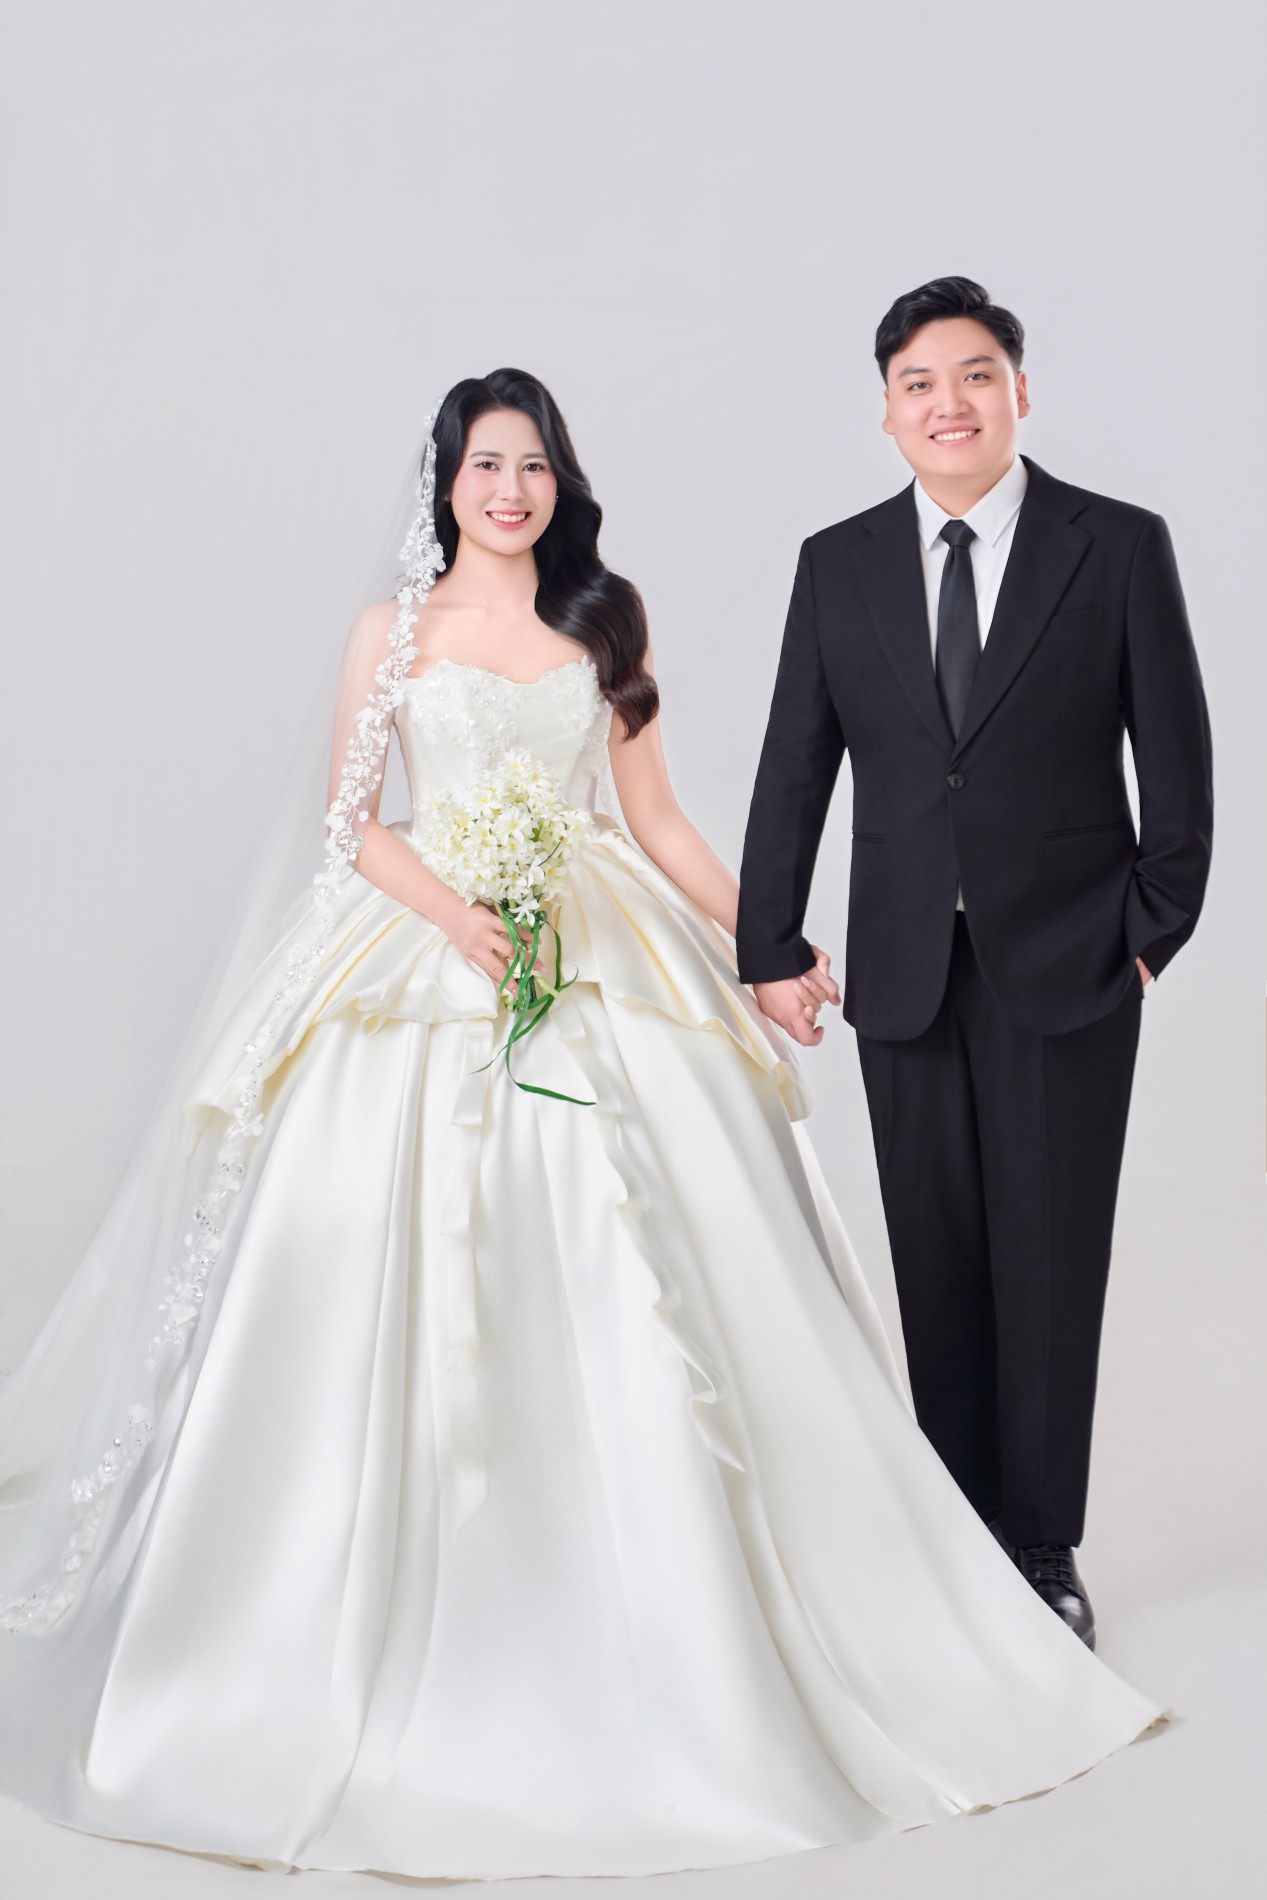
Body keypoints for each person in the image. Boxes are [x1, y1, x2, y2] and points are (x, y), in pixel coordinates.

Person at [0, 368, 1170, 1880]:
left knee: (673, 1243)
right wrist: (462, 922)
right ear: (445, 486)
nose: (511, 490)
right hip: (430, 939)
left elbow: (656, 819)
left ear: (561, 483)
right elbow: (351, 823)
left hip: (598, 934)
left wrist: (769, 945)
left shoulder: (604, 622)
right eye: (486, 466)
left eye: (534, 465)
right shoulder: (390, 632)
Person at [737, 277, 1214, 1652]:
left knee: (1051, 1259)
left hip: (1072, 964)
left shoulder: (1114, 545)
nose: (949, 403)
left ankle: (1043, 1546)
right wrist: (768, 942)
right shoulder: (837, 564)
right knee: (935, 1257)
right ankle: (956, 1531)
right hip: (902, 970)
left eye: (975, 375)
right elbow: (795, 763)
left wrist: (1146, 938)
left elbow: (1179, 764)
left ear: (1019, 392)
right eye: (919, 384)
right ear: (887, 413)